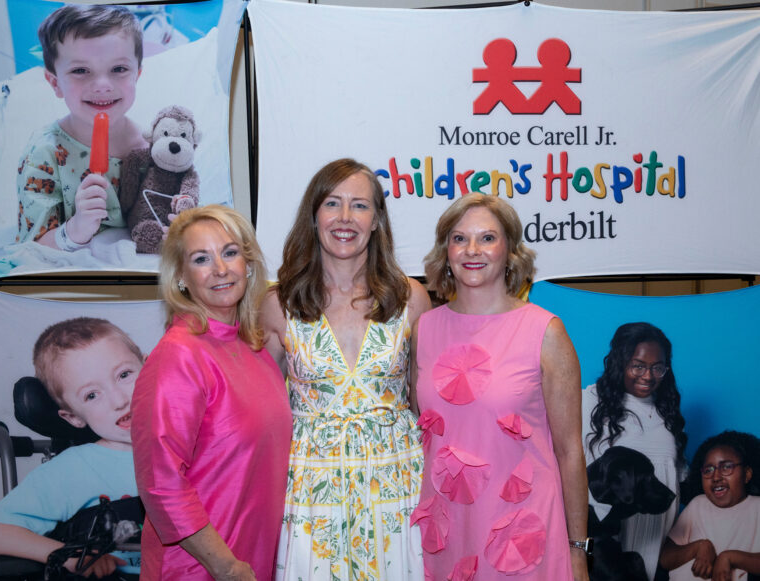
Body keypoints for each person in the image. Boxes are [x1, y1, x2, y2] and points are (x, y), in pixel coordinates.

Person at [261, 158, 431, 580]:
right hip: (310, 491)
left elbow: (424, 401)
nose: (345, 217)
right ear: (314, 215)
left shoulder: (411, 297)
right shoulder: (278, 303)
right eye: (332, 203)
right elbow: (259, 407)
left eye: (360, 206)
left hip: (397, 484)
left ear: (376, 220)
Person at [413, 192, 589, 581]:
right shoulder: (424, 329)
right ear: (446, 251)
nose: (472, 250)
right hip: (449, 532)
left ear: (509, 250)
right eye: (459, 238)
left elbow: (569, 451)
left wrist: (579, 550)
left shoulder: (545, 331)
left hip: (524, 534)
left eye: (487, 238)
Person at [131, 205, 292, 580]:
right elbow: (161, 483)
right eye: (202, 259)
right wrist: (226, 566)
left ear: (248, 265)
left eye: (230, 252)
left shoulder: (253, 349)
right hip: (200, 567)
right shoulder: (178, 355)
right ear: (181, 277)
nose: (220, 269)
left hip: (254, 559)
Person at [0, 317, 144, 579]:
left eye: (124, 375)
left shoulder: (195, 448)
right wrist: (65, 554)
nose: (120, 400)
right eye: (92, 394)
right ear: (73, 417)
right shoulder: (75, 469)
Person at [16, 5, 147, 249]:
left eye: (119, 69)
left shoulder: (152, 148)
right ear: (55, 83)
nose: (102, 85)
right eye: (80, 71)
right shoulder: (43, 153)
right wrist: (76, 229)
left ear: (137, 75)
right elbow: (32, 246)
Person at [583, 322, 687, 581]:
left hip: (658, 538)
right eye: (638, 366)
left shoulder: (668, 411)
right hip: (605, 539)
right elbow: (568, 465)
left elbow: (678, 475)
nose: (648, 376)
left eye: (658, 367)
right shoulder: (589, 402)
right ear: (620, 362)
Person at [660, 430, 760, 581]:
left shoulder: (757, 508)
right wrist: (699, 547)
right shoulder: (697, 505)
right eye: (708, 470)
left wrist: (729, 557)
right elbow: (665, 558)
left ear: (747, 474)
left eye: (726, 467)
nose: (716, 476)